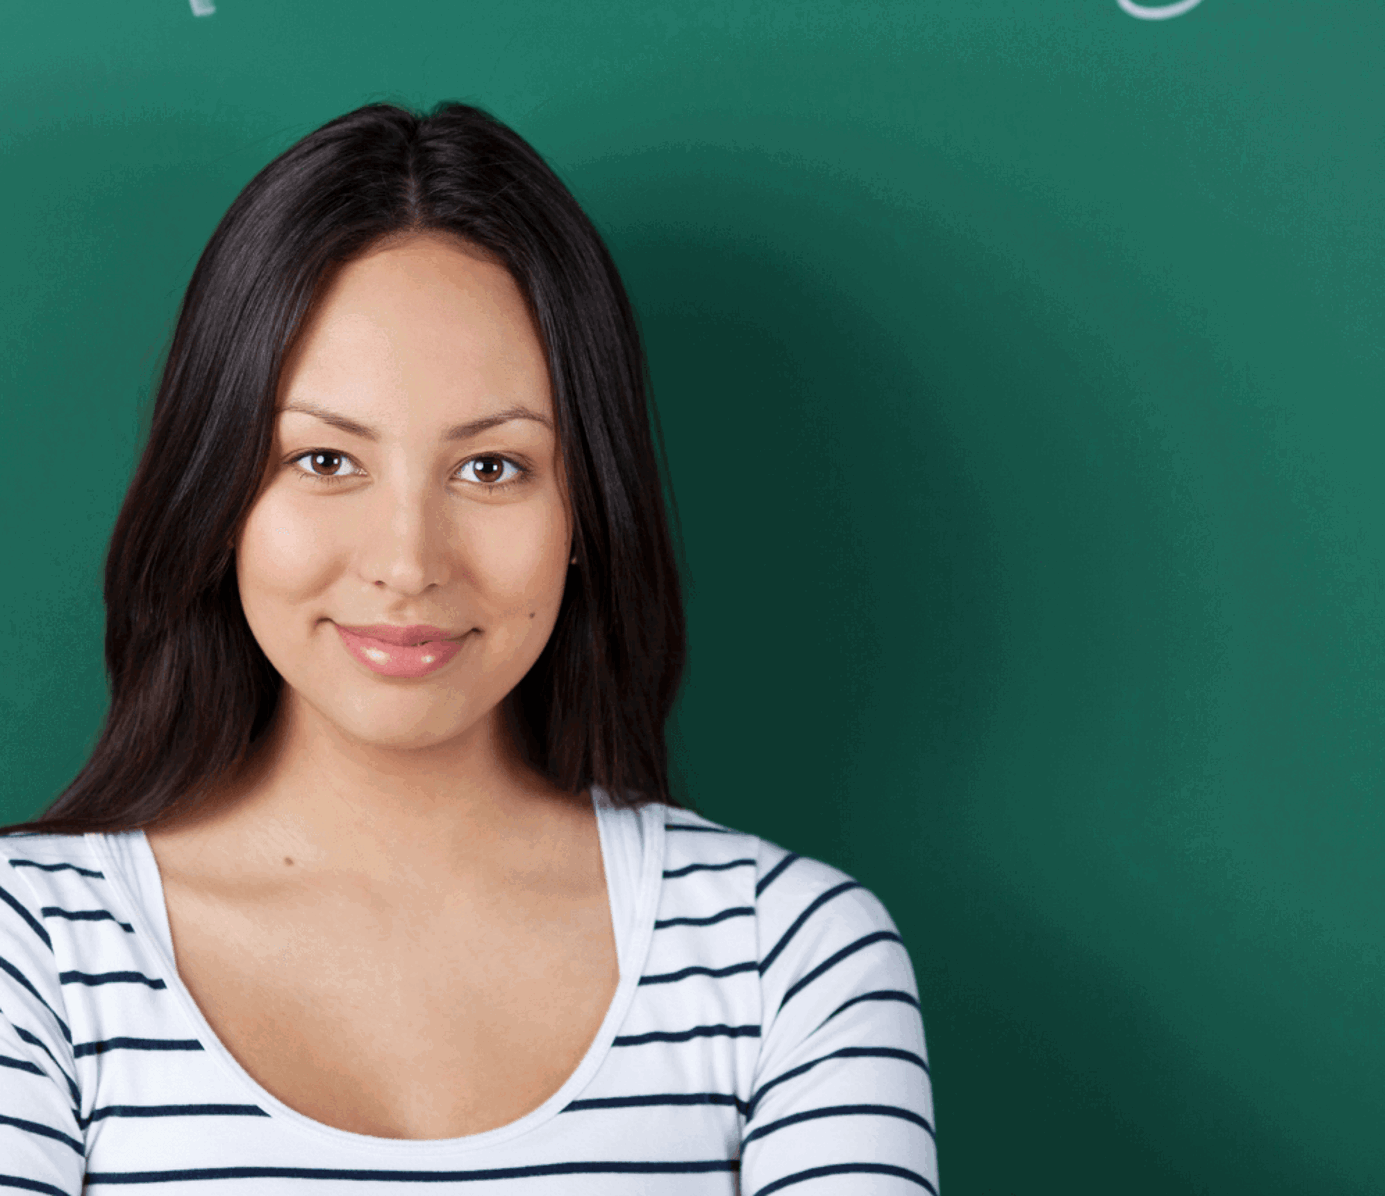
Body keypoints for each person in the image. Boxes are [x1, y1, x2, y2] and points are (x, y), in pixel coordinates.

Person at [0, 103, 938, 1193]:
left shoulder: (792, 959)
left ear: (587, 509)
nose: (408, 561)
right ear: (217, 495)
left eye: (492, 468)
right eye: (322, 461)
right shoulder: (31, 954)